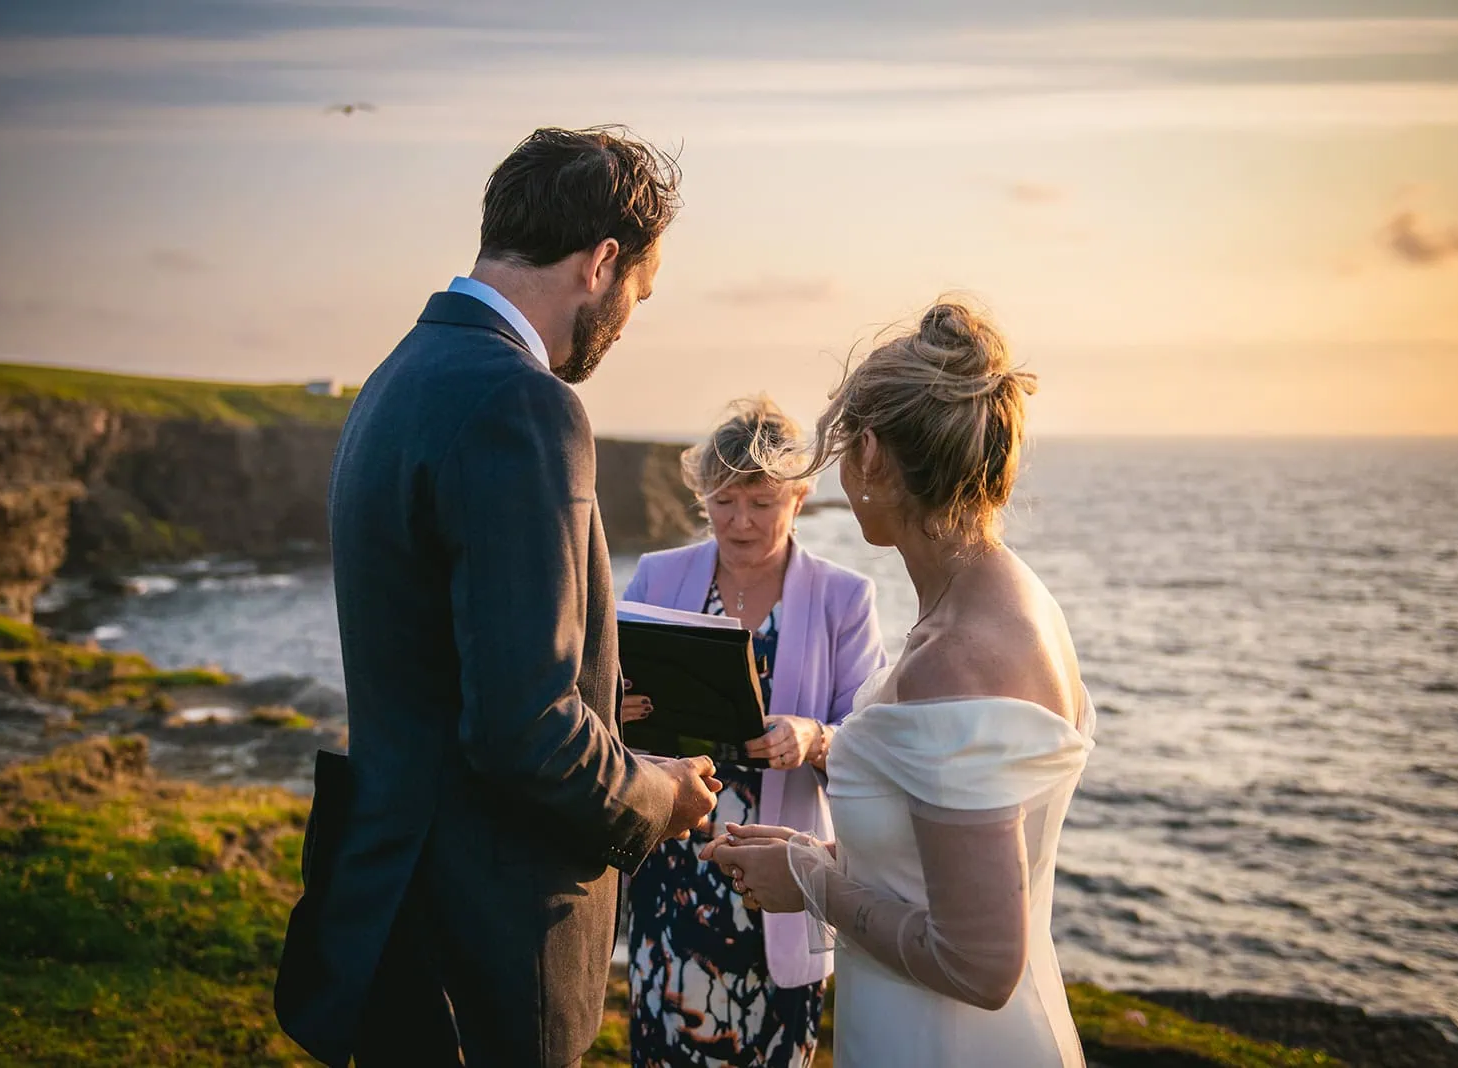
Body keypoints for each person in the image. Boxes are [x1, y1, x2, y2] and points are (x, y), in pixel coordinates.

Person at [275, 127, 723, 1068]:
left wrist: (606, 693)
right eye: (639, 292)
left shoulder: (400, 374)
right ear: (601, 263)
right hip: (492, 940)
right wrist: (658, 793)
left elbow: (449, 653)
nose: (629, 319)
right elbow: (526, 728)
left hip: (398, 902)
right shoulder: (526, 404)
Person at [703, 301, 1097, 1067]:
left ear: (871, 453)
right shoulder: (1020, 600)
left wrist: (810, 882)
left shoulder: (953, 658)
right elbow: (943, 864)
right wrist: (814, 852)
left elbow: (978, 964)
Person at [621, 397, 887, 1067]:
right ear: (702, 497)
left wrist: (815, 737)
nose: (740, 521)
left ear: (799, 497)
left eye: (762, 502)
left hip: (778, 882)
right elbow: (603, 708)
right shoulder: (656, 576)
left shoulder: (845, 598)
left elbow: (875, 748)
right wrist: (615, 709)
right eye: (724, 500)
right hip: (671, 872)